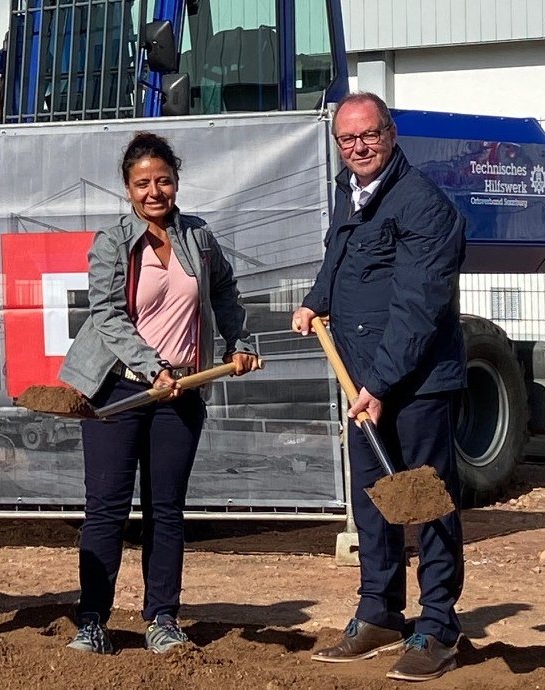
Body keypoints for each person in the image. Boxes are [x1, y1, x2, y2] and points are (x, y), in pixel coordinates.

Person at [57, 131, 258, 655]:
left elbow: (224, 294)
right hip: (119, 391)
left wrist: (240, 341)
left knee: (166, 510)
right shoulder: (112, 242)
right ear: (127, 189)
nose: (154, 191)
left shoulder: (199, 236)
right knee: (106, 509)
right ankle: (92, 620)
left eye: (163, 180)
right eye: (142, 183)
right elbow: (106, 315)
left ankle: (162, 619)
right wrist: (151, 368)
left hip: (182, 393)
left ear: (176, 183)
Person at [293, 92, 466, 682]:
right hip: (364, 380)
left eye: (368, 135)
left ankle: (439, 625)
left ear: (390, 134)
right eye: (347, 140)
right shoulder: (352, 194)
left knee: (426, 503)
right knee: (374, 505)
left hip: (413, 384)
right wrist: (316, 301)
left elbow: (418, 306)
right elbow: (338, 259)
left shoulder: (423, 206)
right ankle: (379, 614)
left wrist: (381, 384)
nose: (358, 148)